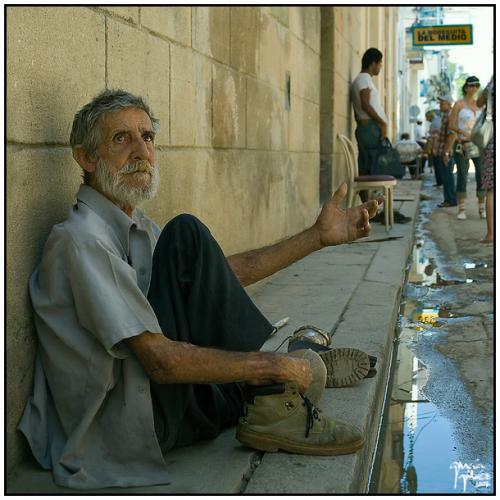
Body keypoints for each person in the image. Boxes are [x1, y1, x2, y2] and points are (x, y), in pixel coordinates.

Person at [18, 90, 384, 489]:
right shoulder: (81, 241)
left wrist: (316, 237)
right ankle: (278, 388)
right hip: (127, 426)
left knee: (187, 244)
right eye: (121, 139)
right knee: (188, 233)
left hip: (155, 397)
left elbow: (217, 277)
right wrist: (269, 366)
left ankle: (282, 379)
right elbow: (161, 362)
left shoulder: (132, 226)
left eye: (148, 138)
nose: (142, 151)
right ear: (86, 158)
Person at [351, 48, 411, 223]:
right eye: (380, 63)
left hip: (367, 127)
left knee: (367, 167)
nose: (381, 67)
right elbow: (366, 104)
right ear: (373, 63)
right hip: (369, 128)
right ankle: (376, 210)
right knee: (377, 167)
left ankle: (370, 210)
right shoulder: (363, 79)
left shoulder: (364, 80)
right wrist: (382, 123)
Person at [448, 76, 485, 220]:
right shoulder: (459, 104)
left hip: (478, 144)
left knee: (481, 175)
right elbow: (451, 125)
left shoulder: (480, 105)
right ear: (465, 87)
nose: (473, 88)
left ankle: (482, 208)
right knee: (462, 175)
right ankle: (461, 209)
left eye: (476, 85)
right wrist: (462, 132)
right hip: (461, 143)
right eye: (471, 85)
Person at [476, 77, 494, 243]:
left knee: (491, 190)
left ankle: (491, 234)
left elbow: (478, 103)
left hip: (492, 141)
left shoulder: (492, 84)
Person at [436, 95, 458, 208]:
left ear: (449, 104)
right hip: (443, 151)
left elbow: (452, 135)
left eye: (442, 103)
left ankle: (451, 200)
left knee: (447, 177)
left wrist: (445, 152)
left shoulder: (449, 115)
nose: (440, 105)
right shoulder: (446, 115)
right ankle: (449, 199)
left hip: (446, 153)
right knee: (446, 176)